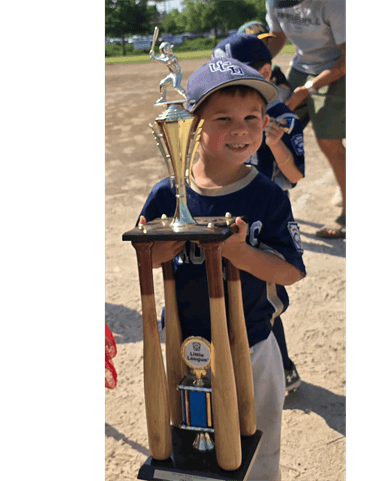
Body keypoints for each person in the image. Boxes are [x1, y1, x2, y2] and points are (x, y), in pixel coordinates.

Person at [137, 59, 306, 481]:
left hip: (251, 344)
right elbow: (147, 255)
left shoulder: (266, 194)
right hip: (184, 344)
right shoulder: (167, 192)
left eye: (252, 118)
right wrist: (164, 246)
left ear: (265, 122)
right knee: (195, 445)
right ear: (193, 126)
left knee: (258, 444)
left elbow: (290, 273)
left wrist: (238, 252)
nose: (241, 130)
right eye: (224, 119)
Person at [213, 32, 306, 393]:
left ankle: (282, 365)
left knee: (262, 296)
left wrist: (275, 142)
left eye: (236, 71)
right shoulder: (217, 112)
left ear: (266, 72)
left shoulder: (281, 116)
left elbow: (295, 175)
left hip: (261, 218)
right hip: (219, 211)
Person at [265, 0, 347, 238]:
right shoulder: (275, 1)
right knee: (275, 128)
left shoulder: (334, 4)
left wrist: (307, 89)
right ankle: (269, 205)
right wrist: (253, 61)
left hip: (337, 68)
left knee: (328, 141)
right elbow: (278, 36)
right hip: (302, 67)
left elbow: (347, 59)